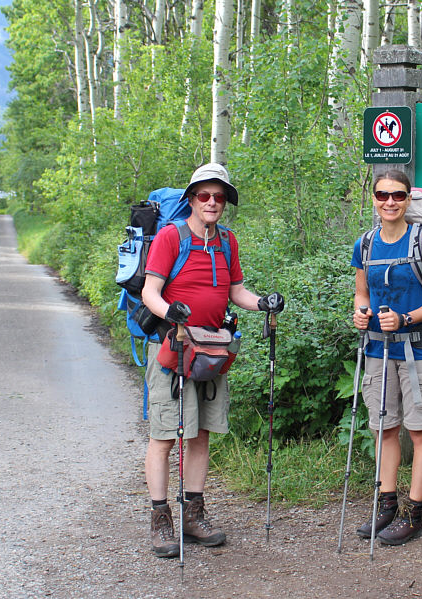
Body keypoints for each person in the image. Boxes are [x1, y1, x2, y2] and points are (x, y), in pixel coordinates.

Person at [141, 163, 284, 558]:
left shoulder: (228, 242)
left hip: (212, 350)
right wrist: (171, 311)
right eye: (204, 195)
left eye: (219, 197)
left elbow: (236, 290)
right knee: (165, 436)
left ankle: (193, 514)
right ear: (191, 199)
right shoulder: (171, 237)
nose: (211, 203)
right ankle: (160, 520)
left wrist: (262, 303)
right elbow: (151, 292)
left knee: (201, 432)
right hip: (173, 347)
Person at [350, 169, 422, 546]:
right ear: (373, 199)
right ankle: (387, 504)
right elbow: (362, 292)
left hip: (418, 349)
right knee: (383, 428)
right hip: (376, 348)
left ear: (408, 199)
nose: (389, 201)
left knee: (420, 430)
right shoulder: (364, 244)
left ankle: (414, 513)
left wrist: (406, 318)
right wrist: (361, 312)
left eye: (397, 195)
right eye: (382, 195)